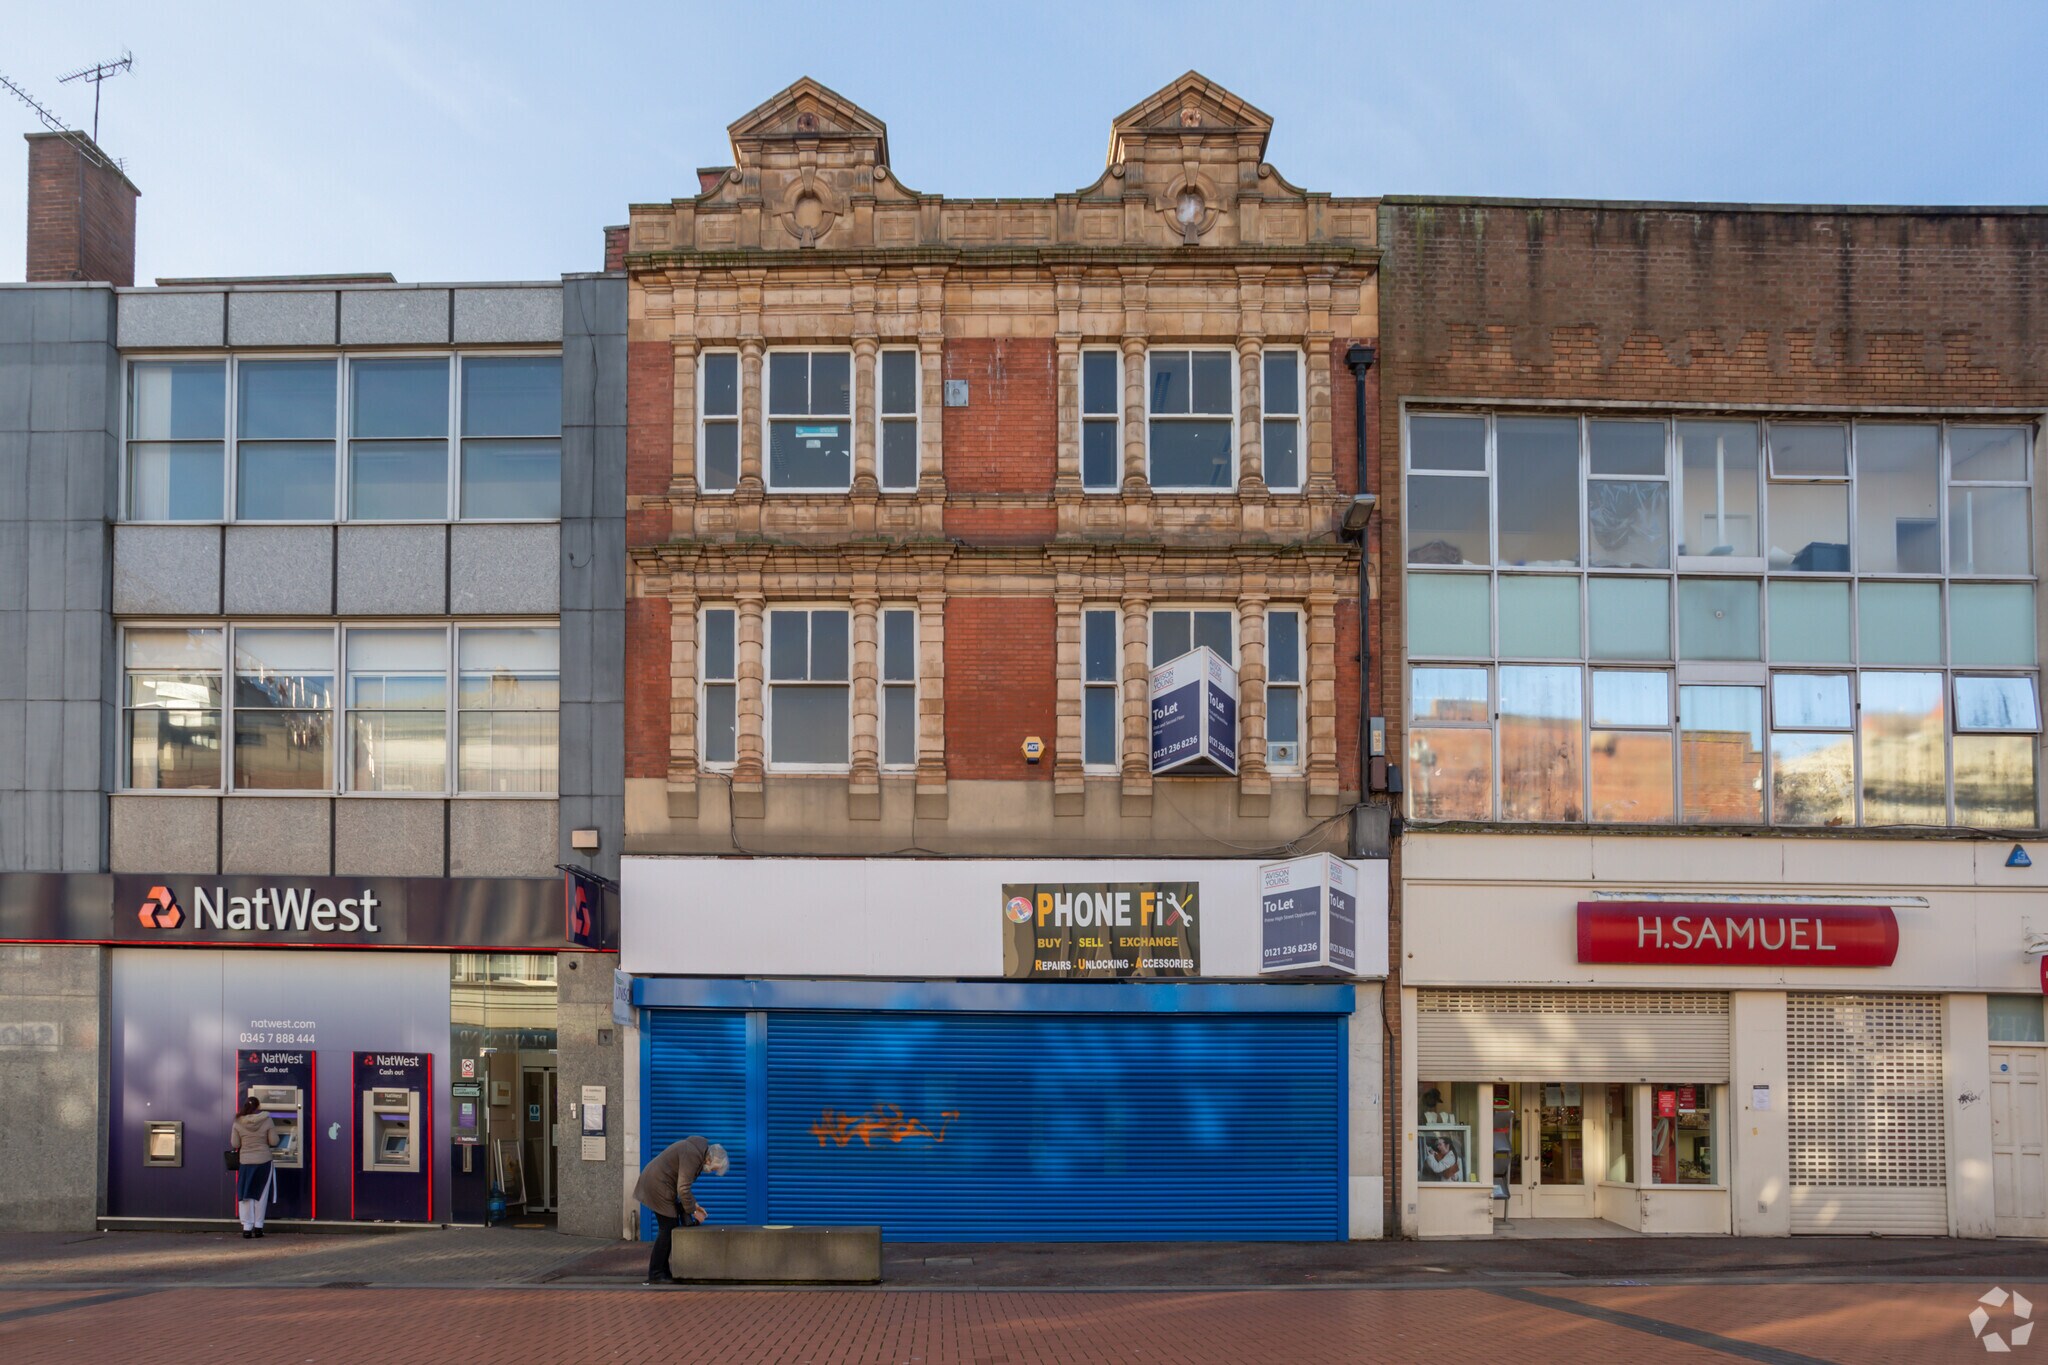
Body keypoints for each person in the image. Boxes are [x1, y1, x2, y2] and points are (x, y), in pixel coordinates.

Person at [634, 1135, 729, 1285]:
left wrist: (695, 1205)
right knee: (667, 1229)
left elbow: (683, 1186)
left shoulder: (696, 1152)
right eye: (713, 1169)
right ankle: (656, 1273)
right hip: (657, 1186)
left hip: (659, 1185)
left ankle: (662, 1271)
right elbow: (683, 1188)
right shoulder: (692, 1155)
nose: (710, 1171)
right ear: (709, 1160)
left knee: (669, 1228)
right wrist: (693, 1212)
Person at [230, 1093, 281, 1238]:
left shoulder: (237, 1121)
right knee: (261, 1195)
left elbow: (235, 1144)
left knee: (246, 1195)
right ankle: (258, 1228)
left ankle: (247, 1228)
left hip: (246, 1162)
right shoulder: (267, 1120)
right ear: (258, 1106)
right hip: (264, 1161)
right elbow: (274, 1141)